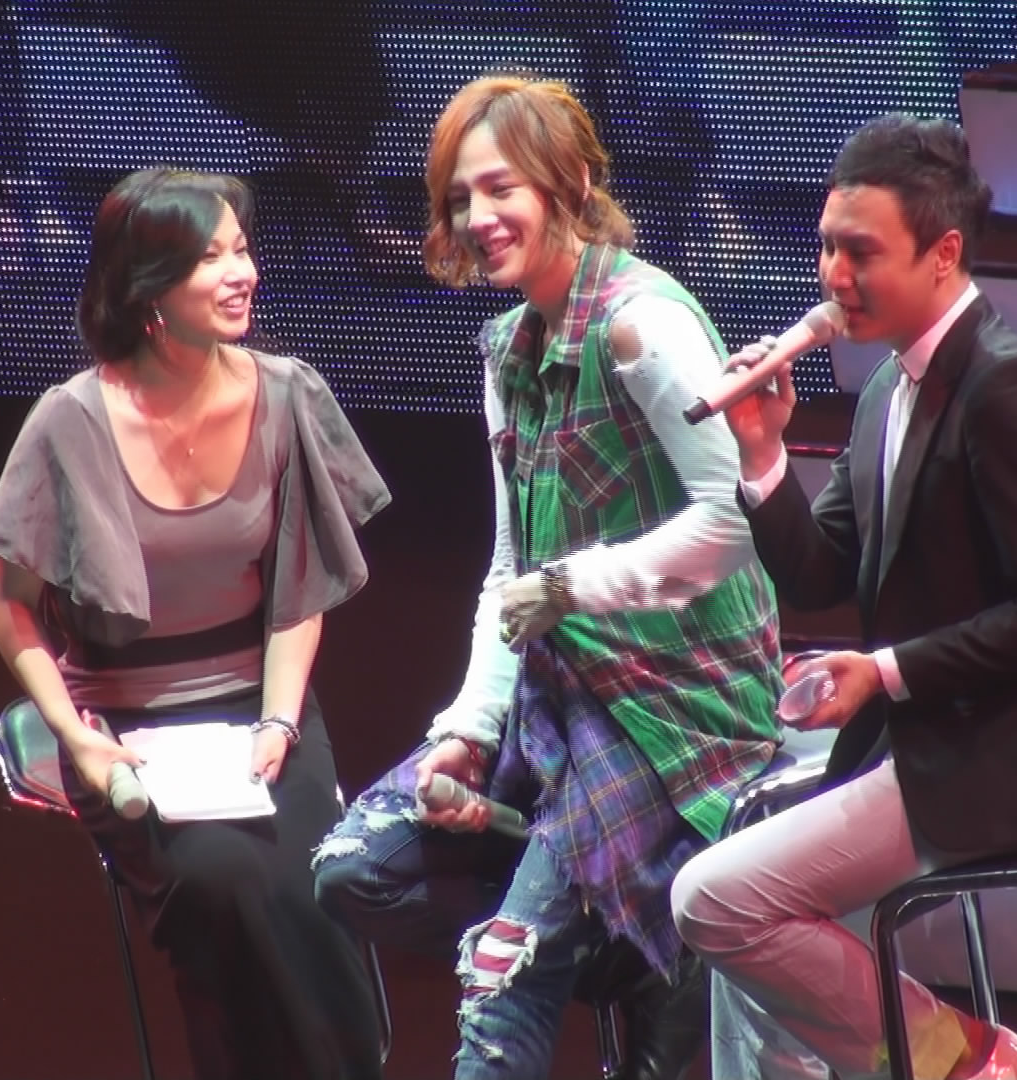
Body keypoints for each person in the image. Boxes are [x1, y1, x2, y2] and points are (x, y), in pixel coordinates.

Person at [310, 74, 783, 1080]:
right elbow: (510, 566)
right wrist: (470, 731)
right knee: (354, 872)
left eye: (500, 189)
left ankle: (610, 922)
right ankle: (648, 934)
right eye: (459, 199)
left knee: (506, 980)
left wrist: (576, 586)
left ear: (568, 185)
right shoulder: (506, 348)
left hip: (677, 706)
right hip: (558, 696)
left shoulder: (642, 324)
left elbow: (731, 525)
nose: (477, 218)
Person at [669, 113, 1017, 1080]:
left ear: (944, 253)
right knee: (741, 863)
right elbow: (819, 573)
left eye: (861, 253)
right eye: (827, 248)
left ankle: (967, 1060)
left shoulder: (1005, 388)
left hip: (1011, 754)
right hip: (935, 737)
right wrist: (761, 454)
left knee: (713, 900)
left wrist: (882, 673)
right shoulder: (890, 387)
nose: (834, 277)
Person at [0, 168, 390, 1080]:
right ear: (148, 288)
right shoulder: (69, 422)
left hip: (259, 711)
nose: (243, 273)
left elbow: (300, 592)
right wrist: (75, 736)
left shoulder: (287, 396)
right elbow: (11, 605)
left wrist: (279, 721)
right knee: (219, 881)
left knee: (310, 887)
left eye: (243, 250)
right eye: (211, 259)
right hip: (123, 728)